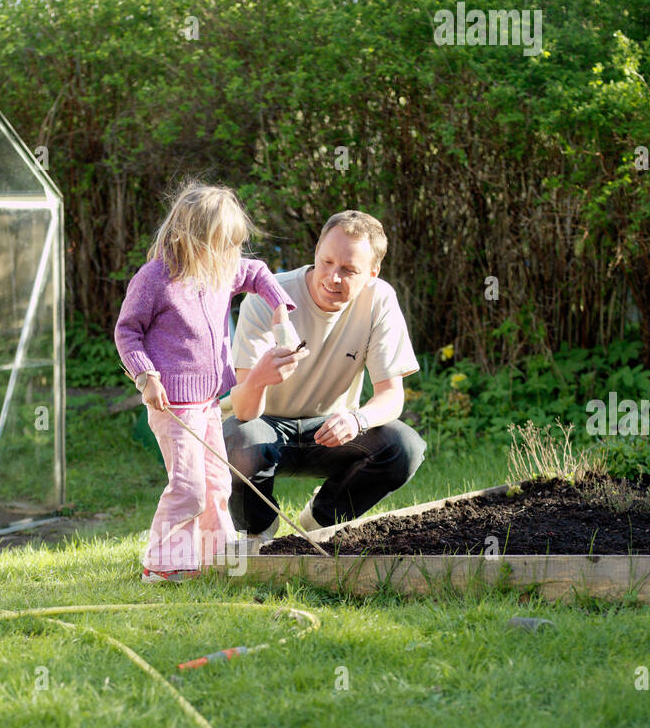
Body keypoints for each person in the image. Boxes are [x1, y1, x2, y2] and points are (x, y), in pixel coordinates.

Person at [115, 181, 299, 581]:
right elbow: (126, 332)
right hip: (172, 406)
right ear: (191, 237)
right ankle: (162, 564)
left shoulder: (220, 269)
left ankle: (215, 558)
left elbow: (258, 272)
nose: (232, 255)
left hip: (209, 402)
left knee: (217, 481)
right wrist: (146, 376)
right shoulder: (155, 279)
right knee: (188, 486)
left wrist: (280, 307)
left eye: (234, 245)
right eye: (223, 244)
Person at [224, 210, 426, 544]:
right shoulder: (267, 297)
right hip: (264, 426)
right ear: (316, 252)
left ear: (372, 273)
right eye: (326, 262)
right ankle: (257, 531)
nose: (333, 277)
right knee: (236, 440)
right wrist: (259, 379)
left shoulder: (380, 300)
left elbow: (392, 396)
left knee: (404, 447)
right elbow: (243, 412)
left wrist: (358, 419)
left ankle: (321, 521)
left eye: (348, 270)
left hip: (331, 432)